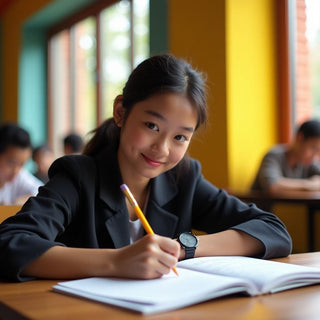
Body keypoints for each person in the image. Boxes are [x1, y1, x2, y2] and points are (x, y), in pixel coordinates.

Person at [0, 54, 291, 282]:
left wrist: (183, 248)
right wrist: (116, 262)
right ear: (120, 112)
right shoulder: (79, 177)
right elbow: (10, 244)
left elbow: (272, 230)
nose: (162, 149)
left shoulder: (184, 178)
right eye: (152, 125)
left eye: (180, 137)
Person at [251, 119, 320, 193]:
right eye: (313, 148)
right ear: (299, 138)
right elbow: (272, 186)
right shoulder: (274, 155)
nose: (315, 155)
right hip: (260, 204)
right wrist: (309, 185)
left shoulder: (310, 161)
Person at [0, 123, 43, 205]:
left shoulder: (19, 176)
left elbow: (44, 193)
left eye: (21, 164)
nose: (16, 170)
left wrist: (16, 203)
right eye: (11, 163)